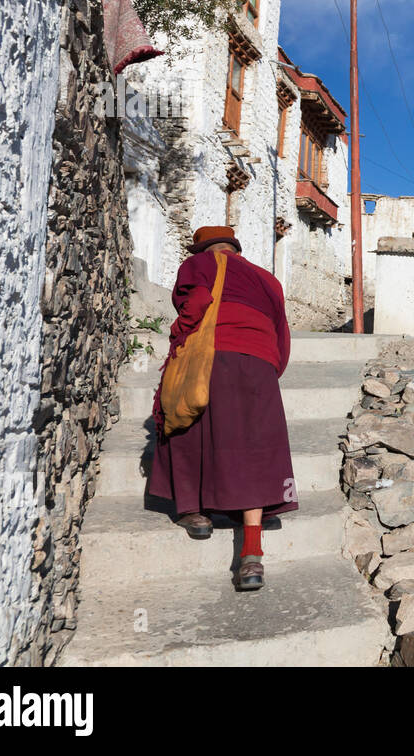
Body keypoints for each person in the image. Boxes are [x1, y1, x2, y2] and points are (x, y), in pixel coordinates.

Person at [147, 225, 295, 591]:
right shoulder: (267, 279)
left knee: (185, 424)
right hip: (261, 362)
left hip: (215, 355)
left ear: (202, 248)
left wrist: (178, 336)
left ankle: (195, 514)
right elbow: (282, 335)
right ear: (235, 248)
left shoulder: (199, 264)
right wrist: (266, 370)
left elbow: (195, 304)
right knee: (255, 448)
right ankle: (252, 557)